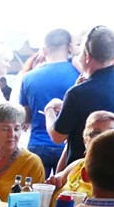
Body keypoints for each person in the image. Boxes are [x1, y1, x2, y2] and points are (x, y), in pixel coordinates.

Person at [45, 26, 114, 169]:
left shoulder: (78, 93)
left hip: (83, 172)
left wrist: (49, 110)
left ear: (87, 56)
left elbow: (57, 137)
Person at [19, 29, 80, 177]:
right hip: (67, 146)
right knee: (64, 195)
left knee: (33, 194)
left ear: (45, 50)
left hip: (37, 143)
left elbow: (26, 117)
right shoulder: (79, 75)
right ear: (69, 47)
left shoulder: (28, 78)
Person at [48, 111, 114, 205]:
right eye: (95, 133)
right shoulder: (78, 165)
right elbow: (55, 181)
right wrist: (53, 182)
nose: (102, 137)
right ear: (85, 141)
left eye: (111, 133)